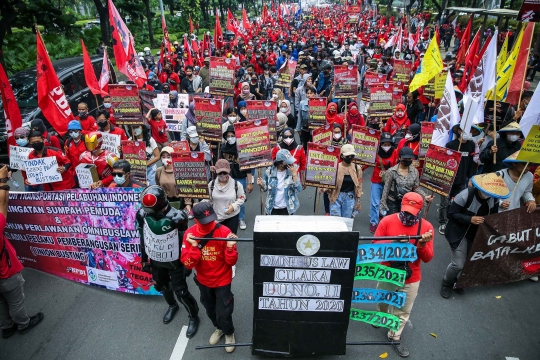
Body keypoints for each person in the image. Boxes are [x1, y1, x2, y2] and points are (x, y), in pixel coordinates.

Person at [375, 192, 434, 357]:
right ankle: (381, 316)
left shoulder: (427, 227)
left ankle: (395, 335)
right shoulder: (387, 221)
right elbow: (375, 246)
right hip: (388, 271)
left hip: (411, 275)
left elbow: (428, 258)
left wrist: (422, 244)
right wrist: (393, 243)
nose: (408, 215)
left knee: (403, 309)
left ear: (420, 210)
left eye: (412, 212)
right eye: (406, 210)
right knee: (382, 299)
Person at [137, 186, 200, 337]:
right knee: (162, 286)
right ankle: (172, 305)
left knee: (182, 292)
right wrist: (144, 260)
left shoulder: (177, 217)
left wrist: (187, 264)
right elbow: (143, 238)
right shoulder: (142, 214)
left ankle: (193, 316)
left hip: (176, 262)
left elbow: (185, 241)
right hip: (156, 261)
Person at [181, 202, 238, 353]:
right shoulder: (189, 234)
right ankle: (219, 328)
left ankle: (229, 333)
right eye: (205, 221)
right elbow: (188, 262)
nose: (210, 224)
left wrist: (231, 248)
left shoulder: (225, 232)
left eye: (211, 219)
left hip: (222, 280)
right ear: (196, 220)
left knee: (224, 312)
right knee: (210, 310)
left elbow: (231, 262)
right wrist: (193, 246)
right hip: (203, 281)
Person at [440, 172, 508, 298]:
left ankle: (457, 281)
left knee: (468, 262)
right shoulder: (465, 195)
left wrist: (501, 207)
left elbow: (491, 217)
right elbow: (451, 213)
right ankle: (446, 282)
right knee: (458, 264)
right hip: (459, 233)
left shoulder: (493, 199)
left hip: (476, 235)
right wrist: (469, 219)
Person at [0, 165, 44, 338]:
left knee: (1, 303)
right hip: (6, 274)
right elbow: (3, 202)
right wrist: (3, 181)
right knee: (16, 301)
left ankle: (6, 327)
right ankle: (24, 324)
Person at [438, 125, 478, 235]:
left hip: (461, 180)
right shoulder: (451, 145)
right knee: (444, 202)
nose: (468, 133)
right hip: (448, 179)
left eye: (470, 131)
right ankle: (442, 222)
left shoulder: (471, 145)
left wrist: (471, 178)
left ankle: (453, 219)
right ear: (459, 131)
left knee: (457, 202)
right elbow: (443, 161)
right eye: (466, 130)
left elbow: (471, 164)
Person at [380, 147, 433, 215]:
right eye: (405, 158)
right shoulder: (391, 171)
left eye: (409, 158)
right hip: (392, 202)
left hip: (408, 203)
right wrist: (383, 204)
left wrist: (425, 196)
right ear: (400, 158)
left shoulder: (414, 171)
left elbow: (416, 187)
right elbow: (386, 189)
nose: (407, 160)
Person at [220, 125, 253, 230]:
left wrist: (249, 182)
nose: (230, 138)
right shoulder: (223, 148)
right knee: (226, 198)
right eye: (228, 136)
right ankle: (227, 216)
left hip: (240, 177)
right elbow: (220, 164)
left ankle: (241, 218)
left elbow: (247, 167)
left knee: (240, 199)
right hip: (226, 178)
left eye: (232, 135)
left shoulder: (242, 149)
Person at [257, 149, 302, 215]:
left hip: (288, 208)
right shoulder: (269, 172)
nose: (291, 164)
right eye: (288, 162)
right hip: (272, 207)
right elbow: (265, 188)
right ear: (281, 163)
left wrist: (295, 176)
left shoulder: (292, 171)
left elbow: (299, 189)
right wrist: (262, 185)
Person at [370, 132, 399, 233]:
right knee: (375, 202)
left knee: (386, 202)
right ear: (380, 144)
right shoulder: (375, 152)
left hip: (389, 181)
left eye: (388, 144)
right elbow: (367, 161)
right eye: (384, 144)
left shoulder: (395, 152)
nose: (386, 146)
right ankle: (374, 221)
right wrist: (359, 168)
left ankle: (383, 220)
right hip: (376, 180)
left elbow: (397, 165)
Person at [207, 159, 246, 234]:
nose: (222, 175)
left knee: (230, 242)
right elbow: (207, 199)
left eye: (224, 173)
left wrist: (233, 206)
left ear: (229, 171)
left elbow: (242, 197)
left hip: (231, 217)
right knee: (218, 242)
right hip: (216, 218)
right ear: (216, 172)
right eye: (220, 173)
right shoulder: (211, 184)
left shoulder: (236, 184)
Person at [324, 144, 362, 218]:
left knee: (346, 221)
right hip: (336, 196)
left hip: (349, 198)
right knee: (336, 222)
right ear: (342, 156)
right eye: (347, 156)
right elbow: (328, 182)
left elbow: (359, 185)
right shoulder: (335, 167)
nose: (350, 158)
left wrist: (358, 200)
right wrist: (323, 188)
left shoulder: (357, 168)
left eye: (352, 156)